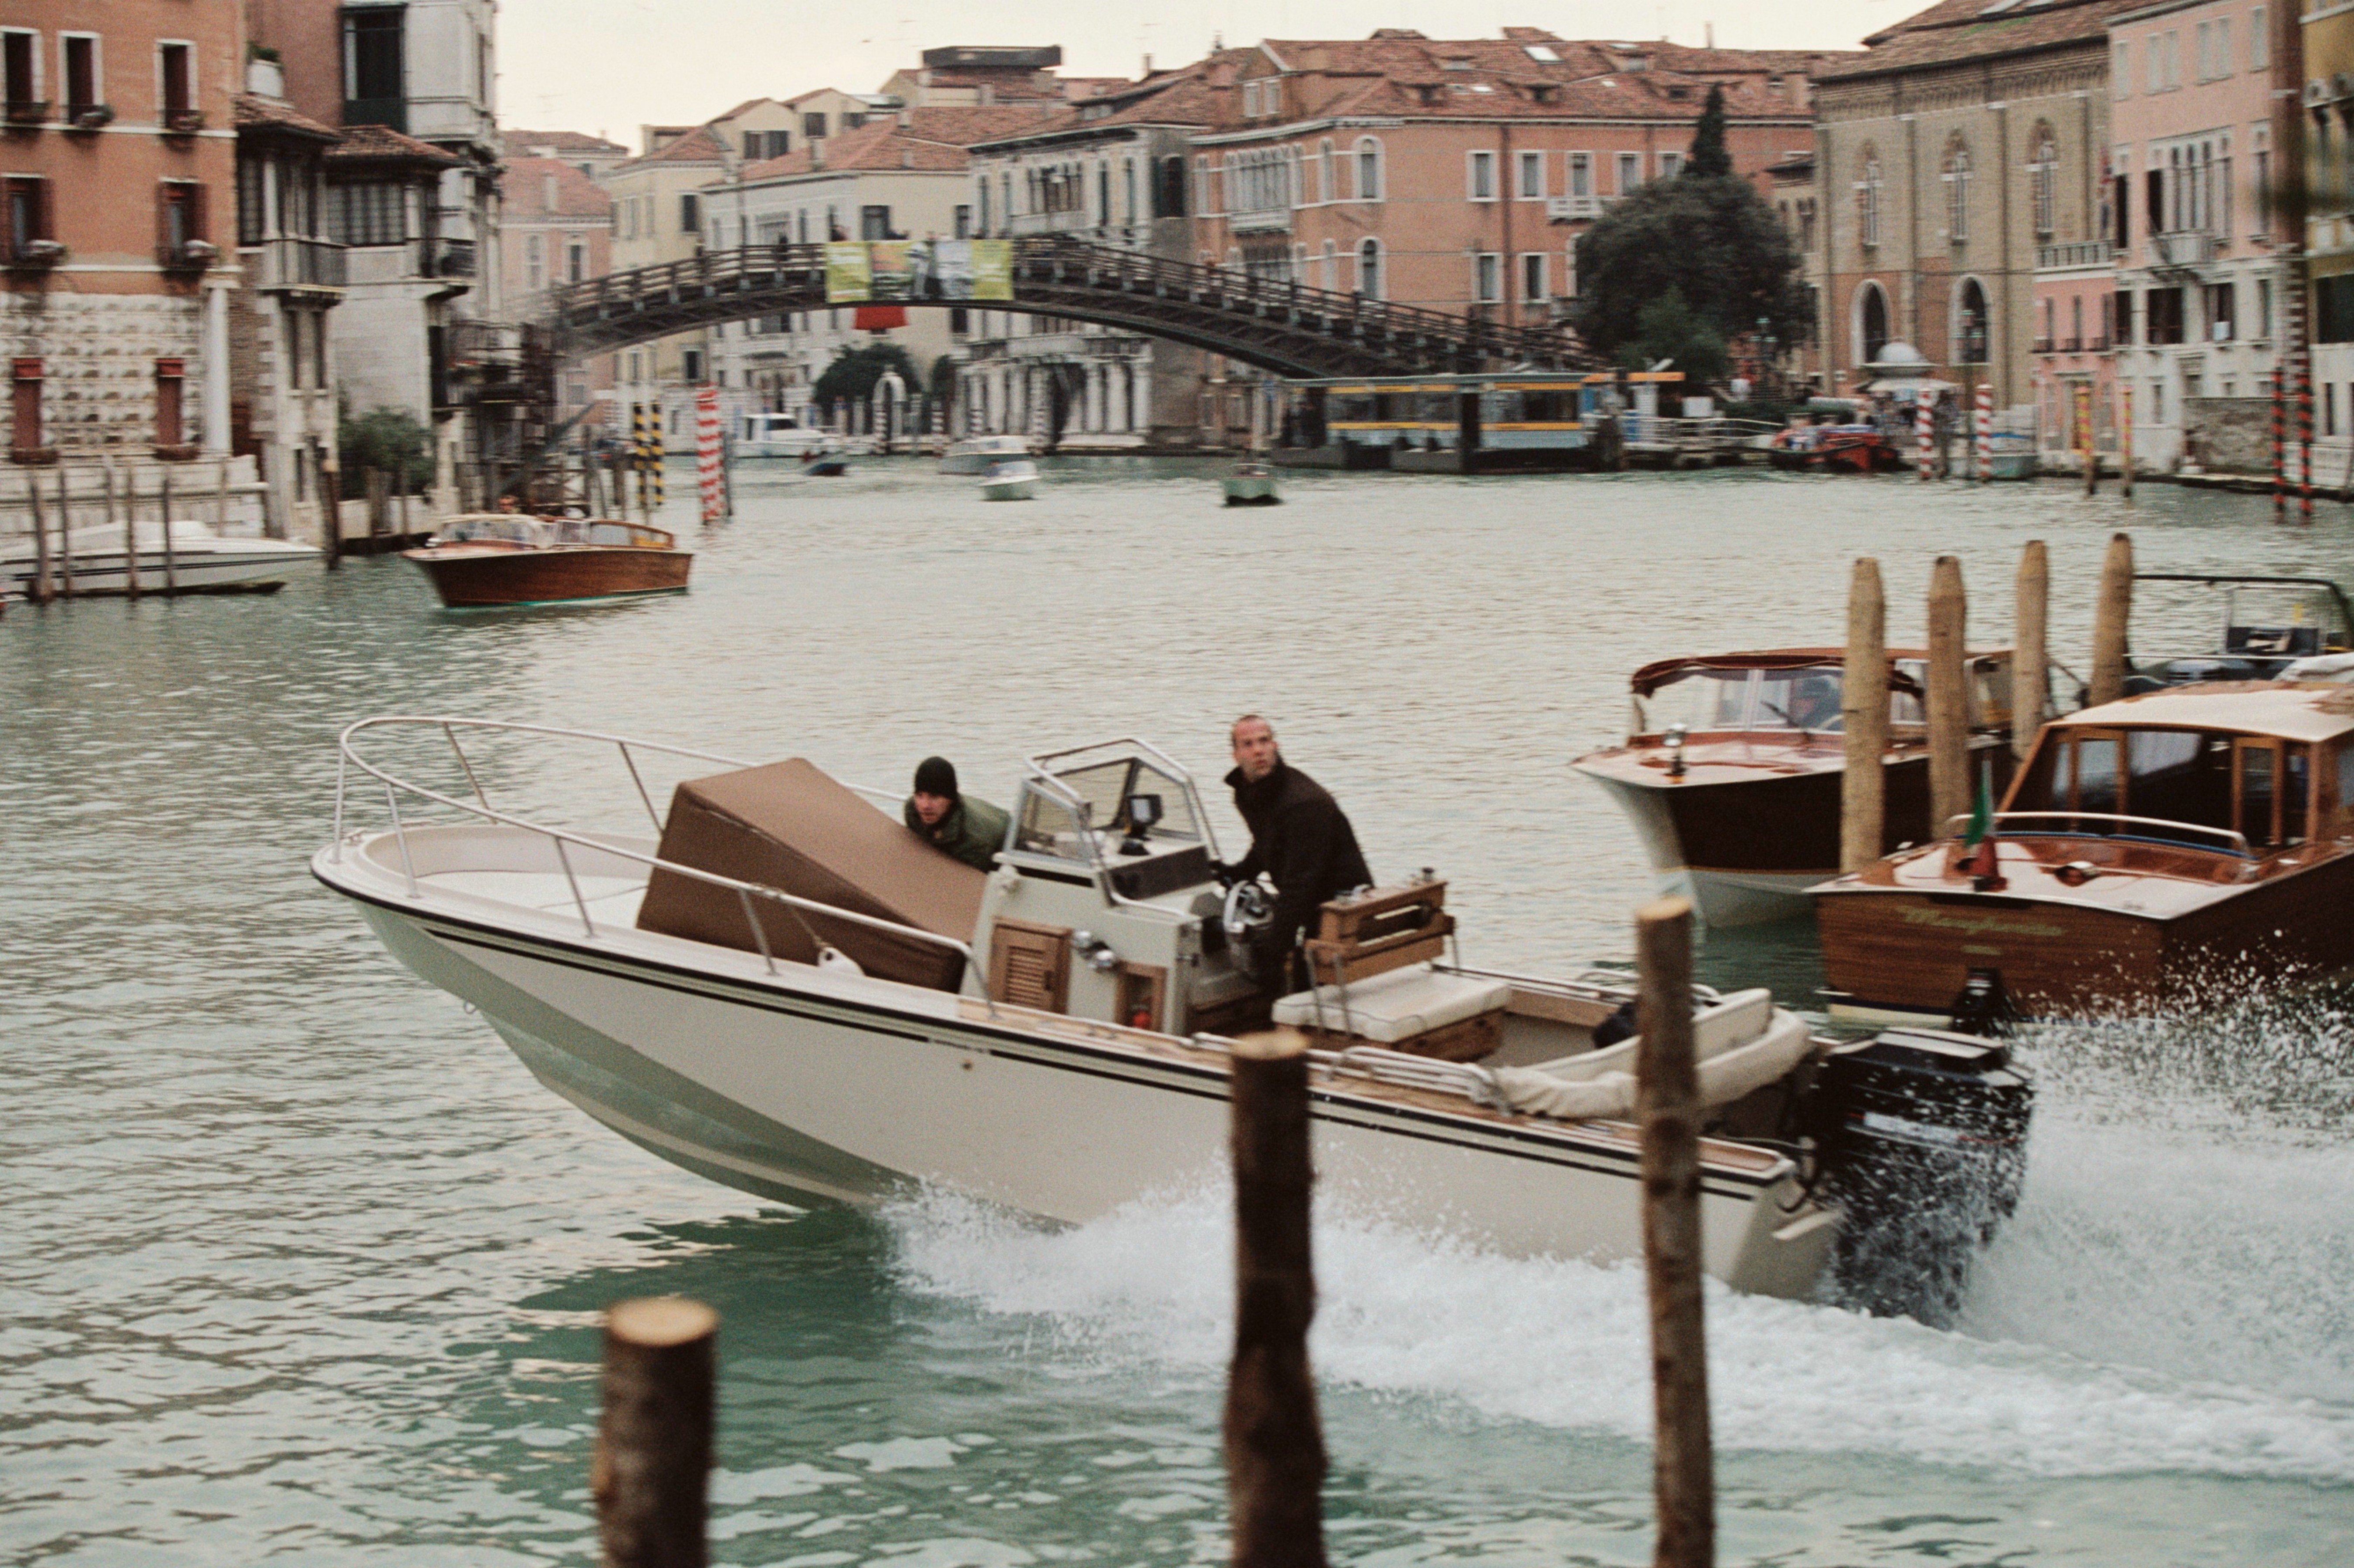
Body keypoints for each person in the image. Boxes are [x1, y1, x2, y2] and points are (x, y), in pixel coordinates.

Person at [1221, 715, 1372, 989]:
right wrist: (1239, 872)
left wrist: (1275, 949)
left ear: (1275, 746)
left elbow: (1300, 884)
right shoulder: (1247, 793)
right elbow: (1269, 841)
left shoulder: (1302, 804)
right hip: (1309, 897)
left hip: (1341, 906)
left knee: (1287, 967)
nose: (1258, 750)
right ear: (1236, 755)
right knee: (1276, 950)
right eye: (1249, 744)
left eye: (1264, 741)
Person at [903, 756, 1009, 873]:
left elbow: (973, 882)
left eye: (934, 797)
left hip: (1016, 852)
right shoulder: (912, 812)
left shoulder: (973, 839)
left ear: (951, 799)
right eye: (920, 796)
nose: (925, 806)